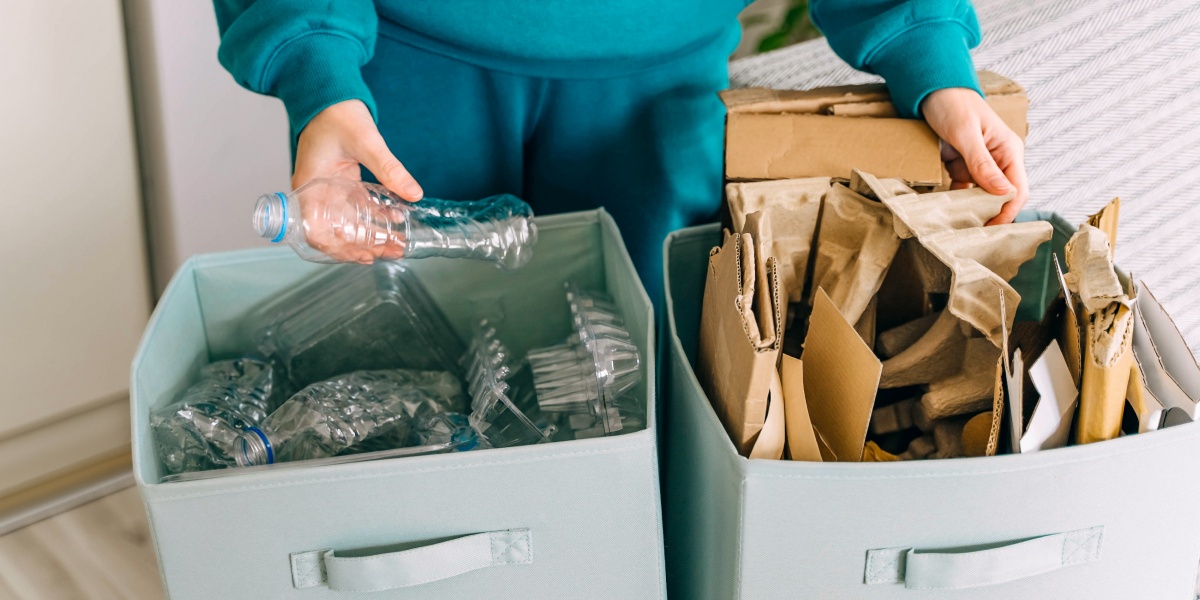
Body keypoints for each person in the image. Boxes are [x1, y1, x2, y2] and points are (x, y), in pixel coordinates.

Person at [214, 0, 1027, 295]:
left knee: (644, 399)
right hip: (404, 73)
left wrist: (934, 63)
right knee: (418, 391)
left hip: (658, 95)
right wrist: (315, 61)